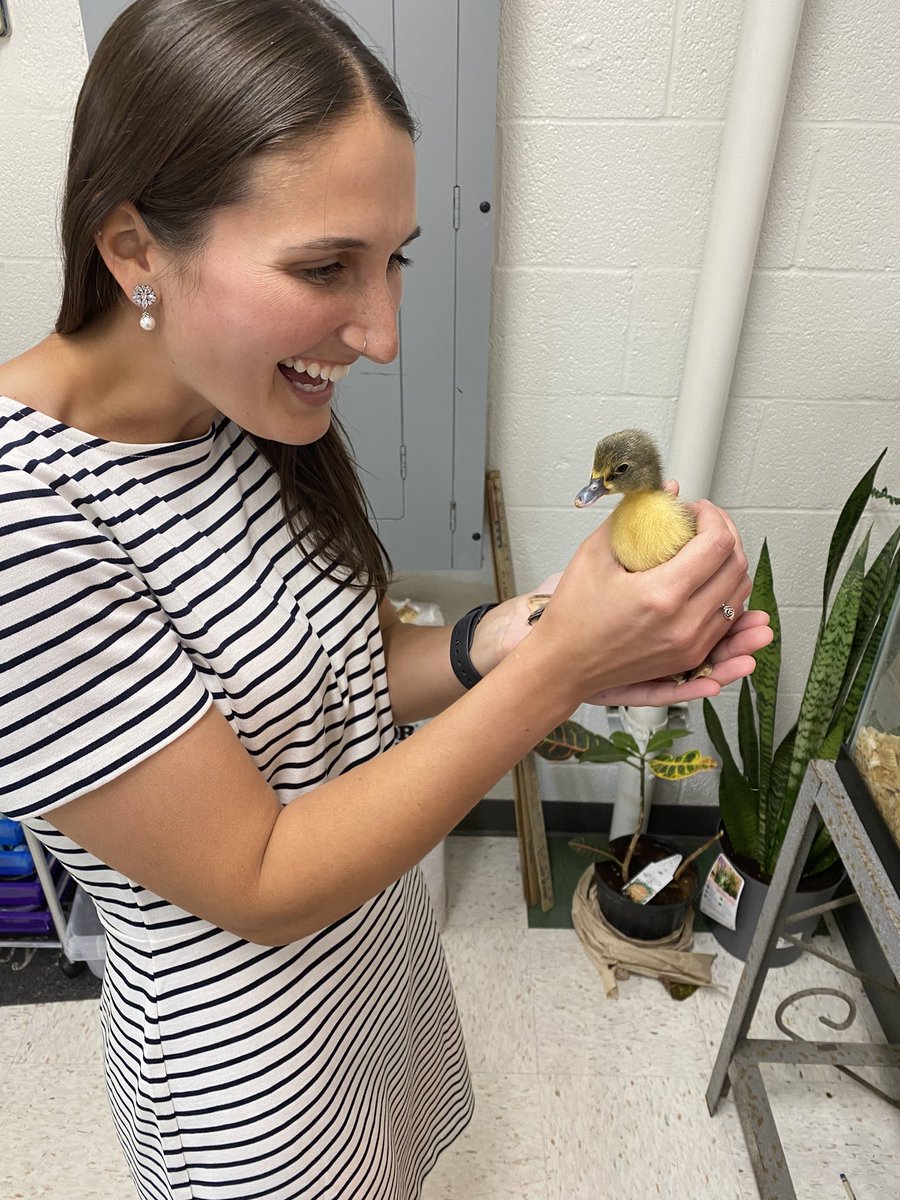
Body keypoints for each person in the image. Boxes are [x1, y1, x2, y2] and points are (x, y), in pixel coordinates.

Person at [0, 1, 771, 1197]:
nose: (382, 334)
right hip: (251, 1096)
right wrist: (558, 671)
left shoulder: (232, 408)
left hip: (368, 983)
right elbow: (259, 878)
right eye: (325, 267)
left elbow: (344, 668)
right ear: (135, 248)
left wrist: (531, 631)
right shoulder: (27, 521)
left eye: (393, 257)